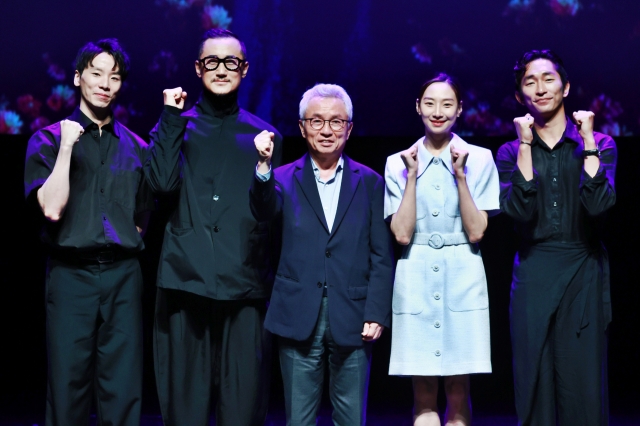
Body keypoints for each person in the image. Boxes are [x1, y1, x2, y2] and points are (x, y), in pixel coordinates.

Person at [144, 28, 283, 426]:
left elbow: (268, 212)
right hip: (185, 282)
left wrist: (263, 167)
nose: (221, 70)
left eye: (230, 63)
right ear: (198, 68)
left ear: (244, 69)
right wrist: (171, 117)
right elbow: (162, 185)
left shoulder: (263, 134)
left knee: (242, 409)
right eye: (212, 62)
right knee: (184, 407)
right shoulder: (175, 127)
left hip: (243, 284)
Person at [23, 38, 152, 425]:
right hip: (70, 274)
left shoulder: (137, 147)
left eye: (113, 77)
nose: (105, 84)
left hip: (122, 276)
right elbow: (51, 207)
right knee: (67, 385)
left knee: (123, 387)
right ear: (78, 78)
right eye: (96, 74)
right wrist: (66, 148)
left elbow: (143, 213)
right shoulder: (45, 140)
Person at [250, 83, 394, 426]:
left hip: (355, 315)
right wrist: (263, 166)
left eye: (336, 122)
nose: (327, 130)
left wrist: (376, 311)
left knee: (351, 419)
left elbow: (381, 254)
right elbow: (262, 211)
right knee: (298, 419)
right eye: (316, 121)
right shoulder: (281, 179)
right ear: (301, 127)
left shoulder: (370, 182)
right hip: (297, 312)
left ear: (349, 128)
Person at [496, 50, 616, 426]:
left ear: (564, 87)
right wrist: (527, 145)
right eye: (529, 82)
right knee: (533, 380)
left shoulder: (599, 142)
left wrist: (587, 142)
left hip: (582, 269)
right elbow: (519, 213)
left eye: (548, 79)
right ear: (520, 97)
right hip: (533, 271)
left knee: (583, 384)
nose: (540, 88)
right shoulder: (511, 150)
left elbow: (598, 206)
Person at [384, 73, 500, 426]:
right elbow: (401, 234)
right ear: (418, 107)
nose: (438, 111)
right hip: (415, 268)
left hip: (462, 268)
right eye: (430, 103)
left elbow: (477, 230)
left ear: (460, 110)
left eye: (447, 104)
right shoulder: (397, 162)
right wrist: (412, 177)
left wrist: (461, 176)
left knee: (458, 392)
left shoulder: (480, 158)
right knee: (422, 394)